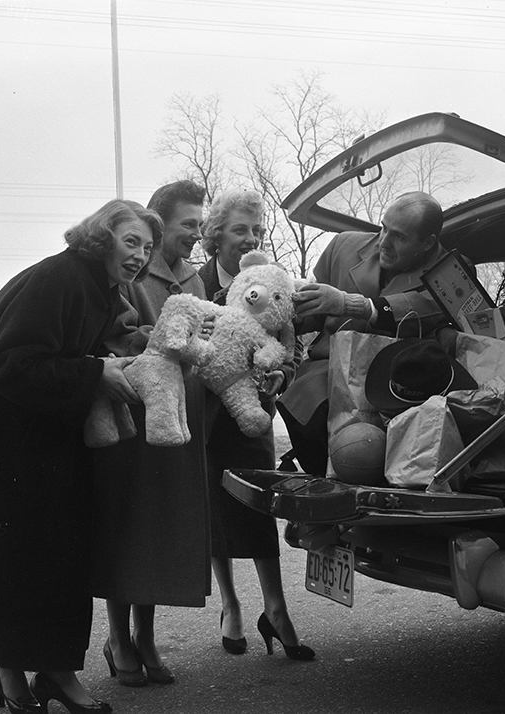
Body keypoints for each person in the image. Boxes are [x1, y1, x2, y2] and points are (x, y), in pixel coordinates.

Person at [0, 198, 162, 714]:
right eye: (131, 240)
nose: (141, 254)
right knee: (18, 560)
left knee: (56, 555)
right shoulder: (61, 279)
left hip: (41, 436)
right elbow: (11, 364)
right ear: (101, 236)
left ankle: (52, 672)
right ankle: (12, 673)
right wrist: (96, 374)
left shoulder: (94, 287)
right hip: (3, 443)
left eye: (148, 246)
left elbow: (63, 352)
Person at [90, 180, 212, 688]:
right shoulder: (131, 274)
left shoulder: (197, 281)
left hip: (180, 426)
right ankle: (118, 638)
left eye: (200, 226)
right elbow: (113, 334)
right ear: (160, 226)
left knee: (161, 534)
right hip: (134, 422)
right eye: (189, 225)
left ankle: (146, 637)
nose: (196, 235)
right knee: (128, 529)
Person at [198, 188, 315, 661]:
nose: (250, 237)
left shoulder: (274, 281)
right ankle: (230, 605)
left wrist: (280, 375)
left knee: (257, 505)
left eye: (257, 230)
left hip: (253, 415)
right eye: (240, 229)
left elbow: (294, 347)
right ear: (216, 235)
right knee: (214, 509)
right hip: (206, 415)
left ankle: (277, 609)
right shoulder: (195, 284)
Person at [279, 191, 456, 476]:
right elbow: (313, 312)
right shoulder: (342, 246)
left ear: (428, 243)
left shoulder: (451, 275)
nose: (384, 242)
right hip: (325, 376)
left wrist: (351, 304)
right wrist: (281, 314)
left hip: (401, 386)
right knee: (308, 409)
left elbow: (422, 309)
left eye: (399, 236)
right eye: (383, 227)